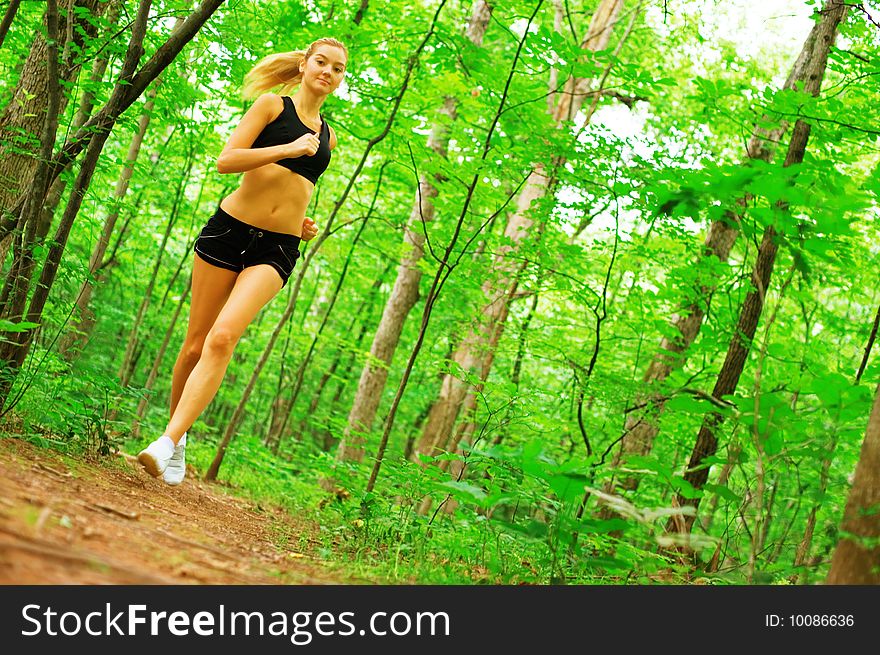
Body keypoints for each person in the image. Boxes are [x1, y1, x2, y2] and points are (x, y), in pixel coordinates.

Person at [137, 37, 348, 484]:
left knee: (223, 338)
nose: (329, 72)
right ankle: (180, 439)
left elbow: (296, 187)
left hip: (278, 248)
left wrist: (303, 221)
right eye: (322, 62)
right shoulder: (273, 106)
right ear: (305, 64)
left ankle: (167, 441)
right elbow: (227, 161)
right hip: (229, 232)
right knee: (195, 344)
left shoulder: (329, 135)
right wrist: (287, 149)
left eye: (338, 69)